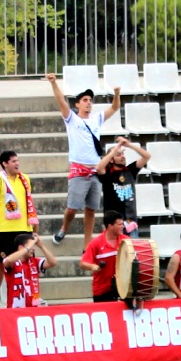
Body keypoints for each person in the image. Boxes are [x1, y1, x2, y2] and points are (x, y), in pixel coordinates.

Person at [46, 72, 121, 247]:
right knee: (72, 208)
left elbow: (114, 107)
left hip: (95, 169)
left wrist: (117, 94)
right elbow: (61, 101)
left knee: (91, 209)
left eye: (90, 100)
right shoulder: (72, 119)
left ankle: (87, 244)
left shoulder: (96, 119)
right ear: (77, 104)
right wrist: (54, 83)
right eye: (85, 100)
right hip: (79, 169)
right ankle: (64, 228)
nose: (88, 103)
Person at [0, 150, 37, 308]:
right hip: (4, 230)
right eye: (13, 161)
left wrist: (34, 225)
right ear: (4, 164)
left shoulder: (25, 179)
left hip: (24, 228)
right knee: (0, 263)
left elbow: (29, 203)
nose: (17, 164)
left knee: (28, 262)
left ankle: (33, 294)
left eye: (18, 160)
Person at [94, 137, 150, 237]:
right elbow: (98, 168)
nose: (122, 156)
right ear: (111, 159)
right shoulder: (107, 174)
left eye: (123, 154)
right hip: (113, 224)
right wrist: (113, 151)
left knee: (131, 247)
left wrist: (129, 145)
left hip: (130, 222)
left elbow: (147, 156)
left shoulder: (130, 171)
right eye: (118, 155)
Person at [79, 210, 127, 303]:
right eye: (120, 224)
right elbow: (82, 263)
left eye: (122, 224)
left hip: (123, 287)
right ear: (110, 226)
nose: (123, 226)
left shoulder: (126, 241)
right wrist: (92, 266)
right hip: (102, 290)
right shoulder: (96, 243)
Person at [2, 232, 57, 308]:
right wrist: (27, 248)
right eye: (31, 246)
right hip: (16, 309)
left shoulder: (34, 261)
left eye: (33, 246)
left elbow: (53, 262)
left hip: (33, 308)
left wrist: (42, 246)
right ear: (21, 247)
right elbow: (8, 261)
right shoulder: (13, 262)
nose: (33, 248)